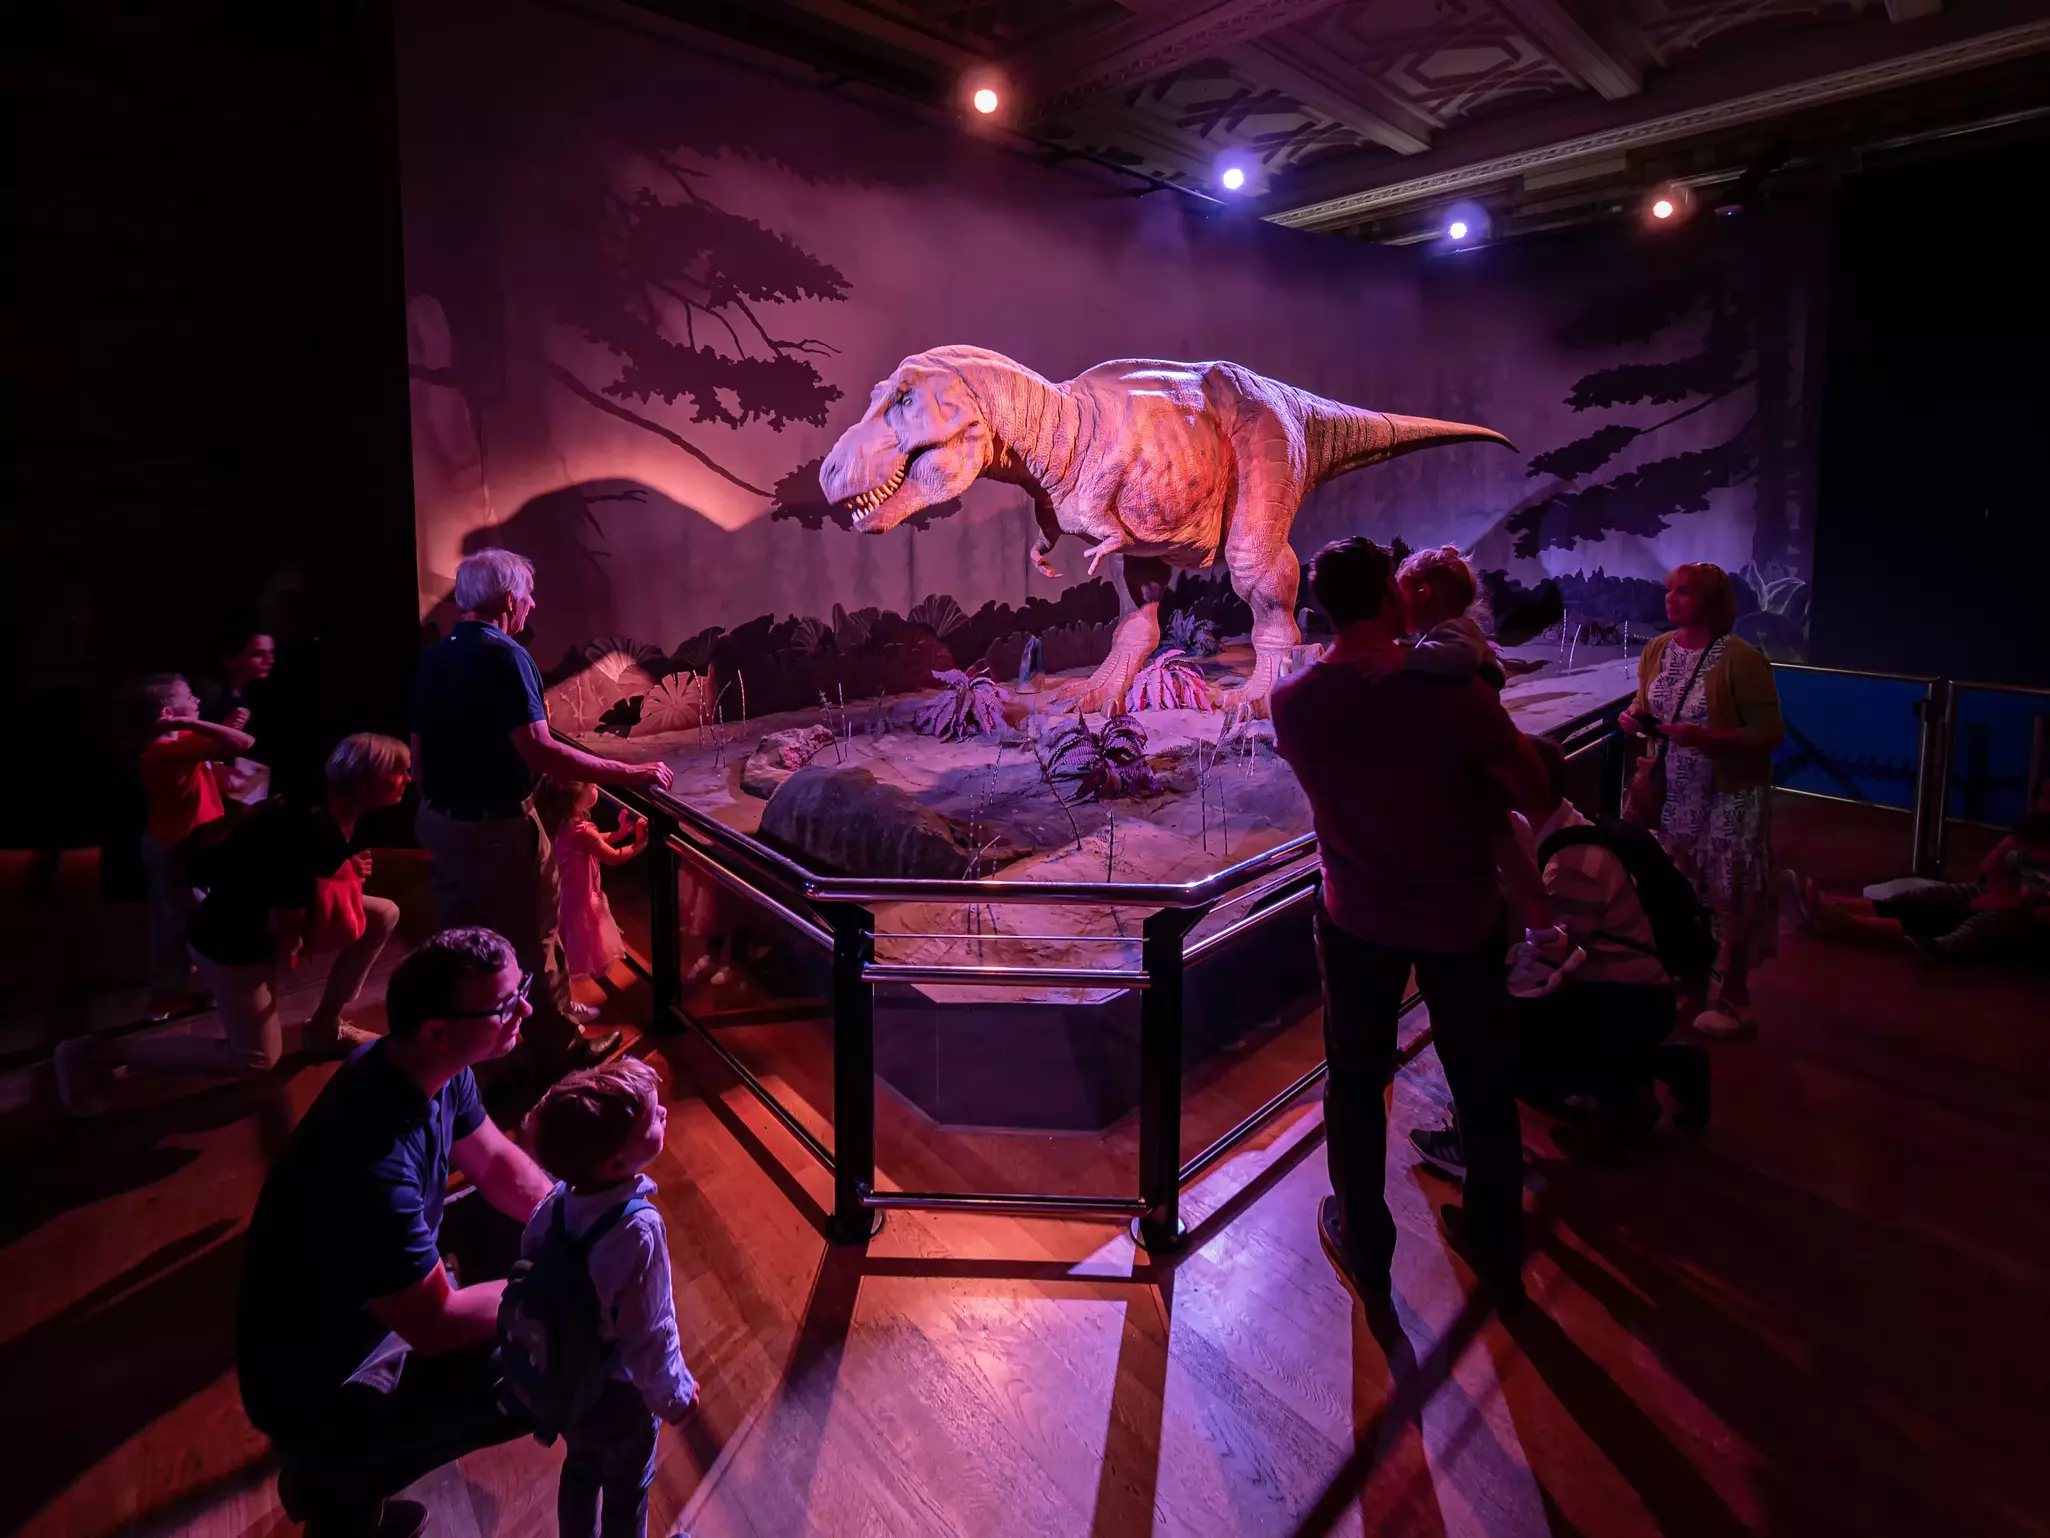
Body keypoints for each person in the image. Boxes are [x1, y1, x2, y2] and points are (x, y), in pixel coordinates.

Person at [1272, 537, 1550, 1307]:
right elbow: (1530, 788)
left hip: (1354, 916)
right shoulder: (1458, 695)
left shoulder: (1291, 704)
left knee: (1356, 1085)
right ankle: (1496, 1244)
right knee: (1483, 1084)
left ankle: (1366, 1245)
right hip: (1462, 919)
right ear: (1396, 598)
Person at [236, 927, 555, 1538]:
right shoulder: (370, 1164)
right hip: (322, 1373)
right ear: (437, 1029)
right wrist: (557, 1281)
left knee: (516, 1224)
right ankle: (338, 1479)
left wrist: (570, 1221)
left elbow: (493, 1161)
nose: (525, 1011)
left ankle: (343, 1485)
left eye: (522, 992)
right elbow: (437, 1325)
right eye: (505, 1005)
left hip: (362, 1316)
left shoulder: (426, 1064)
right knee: (536, 1350)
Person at [412, 549, 672, 1080]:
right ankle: (561, 1052)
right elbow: (540, 749)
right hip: (497, 826)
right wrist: (628, 773)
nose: (533, 604)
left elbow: (418, 747)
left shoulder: (437, 655)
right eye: (528, 595)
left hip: (441, 819)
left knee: (465, 939)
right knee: (535, 939)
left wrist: (436, 808)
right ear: (508, 600)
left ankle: (475, 1044)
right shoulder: (506, 656)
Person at [55, 734, 413, 1115]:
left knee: (384, 913)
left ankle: (325, 1026)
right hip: (231, 944)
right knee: (256, 1059)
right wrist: (326, 900)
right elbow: (287, 926)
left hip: (248, 919)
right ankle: (95, 1053)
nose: (408, 778)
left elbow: (285, 878)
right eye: (399, 771)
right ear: (367, 780)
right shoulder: (315, 831)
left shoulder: (322, 806)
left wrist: (343, 872)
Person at [1408, 736, 1710, 1176]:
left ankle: (1478, 1149)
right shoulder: (1564, 829)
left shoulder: (1571, 863)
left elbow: (1551, 966)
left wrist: (1489, 985)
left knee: (1488, 1041)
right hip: (1625, 990)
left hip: (1626, 1000)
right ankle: (1631, 1086)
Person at [514, 1058, 699, 1538]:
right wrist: (675, 1396)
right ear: (617, 1162)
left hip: (569, 1380)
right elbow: (649, 1332)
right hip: (619, 1394)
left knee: (580, 1468)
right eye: (654, 1118)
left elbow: (531, 1261)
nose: (665, 1116)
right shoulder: (639, 1229)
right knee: (627, 1485)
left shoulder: (553, 1206)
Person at [1392, 544, 1580, 998]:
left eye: (1398, 595)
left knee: (1504, 848)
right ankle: (1544, 935)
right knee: (1504, 847)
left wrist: (1392, 659)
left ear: (1420, 592)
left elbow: (1451, 665)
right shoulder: (1449, 634)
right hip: (1468, 765)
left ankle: (1546, 941)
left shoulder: (1456, 635)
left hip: (1473, 769)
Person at [1620, 563, 1784, 1037]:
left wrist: (1707, 736)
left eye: (1684, 593)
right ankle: (1690, 979)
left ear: (1711, 602)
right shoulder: (1657, 650)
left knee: (1731, 890)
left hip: (1729, 796)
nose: (1671, 600)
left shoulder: (1741, 658)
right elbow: (1645, 703)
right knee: (1679, 890)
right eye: (1670, 591)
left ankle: (1735, 994)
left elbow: (1770, 733)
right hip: (1674, 793)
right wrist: (1633, 717)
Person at [1792, 781, 2050, 963]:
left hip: (2022, 916)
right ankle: (1834, 905)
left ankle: (1847, 923)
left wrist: (2013, 904)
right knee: (1935, 896)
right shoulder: (2027, 844)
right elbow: (1986, 874)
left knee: (1962, 918)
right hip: (2002, 897)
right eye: (2044, 797)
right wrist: (2009, 844)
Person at [123, 673, 256, 1016]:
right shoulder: (163, 748)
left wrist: (219, 726)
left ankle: (196, 987)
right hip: (174, 846)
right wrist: (207, 726)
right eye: (188, 697)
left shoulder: (180, 739)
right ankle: (171, 995)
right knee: (181, 921)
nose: (197, 701)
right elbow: (243, 743)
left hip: (192, 842)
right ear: (167, 711)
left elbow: (222, 745)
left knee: (190, 916)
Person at [534, 777, 651, 1022]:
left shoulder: (562, 823)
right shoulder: (582, 832)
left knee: (559, 951)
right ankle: (563, 1011)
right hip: (580, 901)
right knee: (569, 955)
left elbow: (593, 842)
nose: (597, 788)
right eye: (594, 787)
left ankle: (562, 1005)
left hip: (562, 896)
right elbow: (614, 857)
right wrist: (640, 844)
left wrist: (620, 832)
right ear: (579, 799)